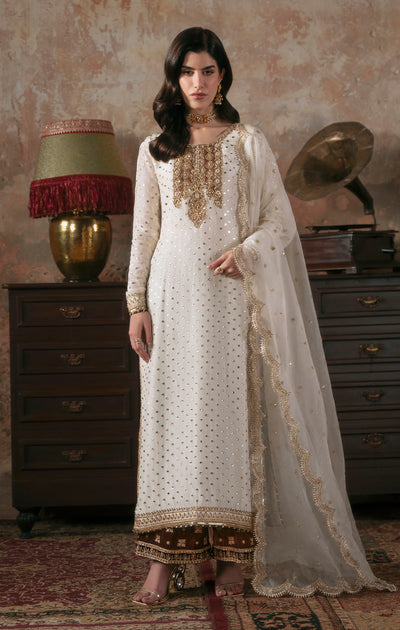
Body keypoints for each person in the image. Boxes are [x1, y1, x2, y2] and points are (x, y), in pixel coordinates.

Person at [126, 27, 395, 606]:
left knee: (229, 424)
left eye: (207, 70)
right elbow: (144, 232)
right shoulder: (155, 149)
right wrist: (136, 304)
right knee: (168, 424)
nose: (198, 82)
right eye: (187, 72)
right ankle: (161, 561)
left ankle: (231, 556)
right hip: (171, 300)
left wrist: (246, 253)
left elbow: (278, 222)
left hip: (231, 301)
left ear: (222, 75)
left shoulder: (248, 142)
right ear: (174, 79)